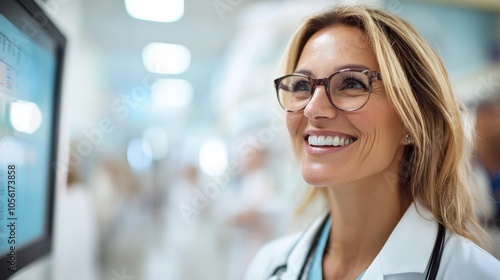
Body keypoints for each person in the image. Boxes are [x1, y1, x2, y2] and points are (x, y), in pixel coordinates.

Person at [244, 5, 500, 280]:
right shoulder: (268, 267)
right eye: (301, 87)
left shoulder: (473, 273)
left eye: (352, 83)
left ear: (412, 122)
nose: (312, 109)